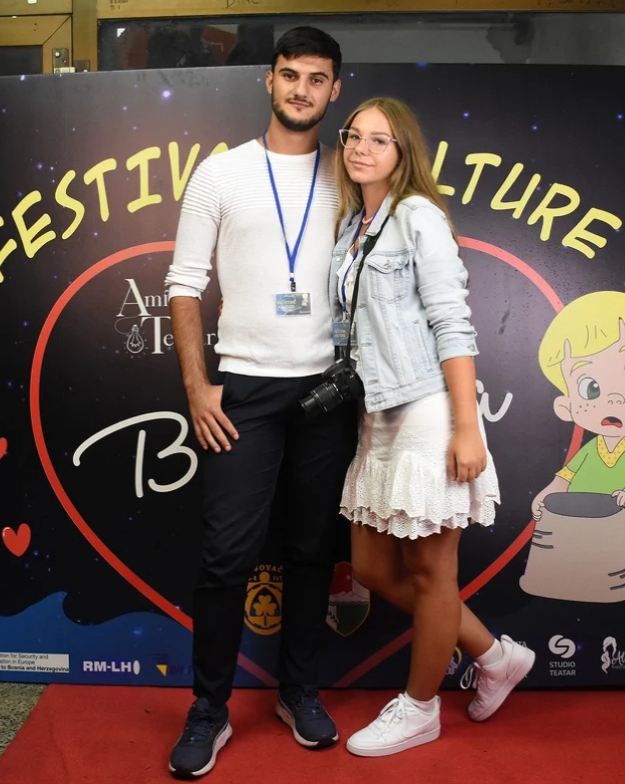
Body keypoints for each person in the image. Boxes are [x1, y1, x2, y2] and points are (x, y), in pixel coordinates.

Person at [163, 26, 354, 779]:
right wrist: (196, 386)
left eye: (316, 78)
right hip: (241, 388)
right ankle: (208, 709)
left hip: (326, 390)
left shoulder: (350, 173)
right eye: (290, 75)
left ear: (334, 89)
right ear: (268, 81)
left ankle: (297, 691)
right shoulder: (221, 174)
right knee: (226, 556)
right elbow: (184, 284)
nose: (302, 89)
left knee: (312, 551)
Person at [328, 97, 535, 758]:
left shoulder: (418, 216)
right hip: (376, 411)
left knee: (430, 570)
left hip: (426, 408)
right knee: (370, 565)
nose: (361, 148)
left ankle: (420, 709)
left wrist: (465, 428)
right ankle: (495, 656)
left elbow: (452, 321)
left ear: (403, 152)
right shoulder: (351, 226)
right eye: (353, 136)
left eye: (379, 140)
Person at [531, 291, 625, 619]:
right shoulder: (588, 451)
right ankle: (586, 611)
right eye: (590, 389)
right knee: (584, 571)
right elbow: (564, 478)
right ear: (566, 406)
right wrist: (547, 496)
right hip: (581, 528)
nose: (613, 399)